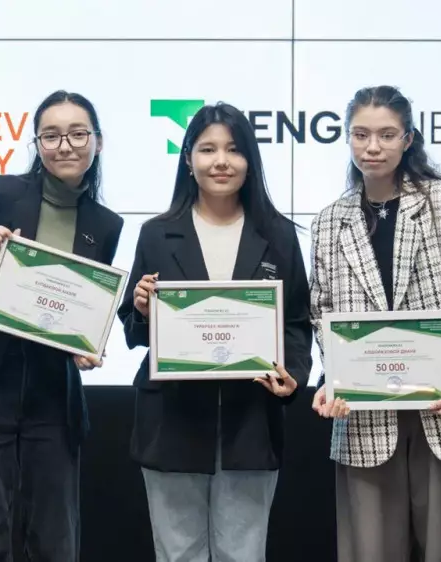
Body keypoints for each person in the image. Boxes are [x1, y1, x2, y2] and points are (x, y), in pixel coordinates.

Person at [310, 85, 441, 562]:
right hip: (365, 416)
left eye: (386, 135)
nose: (372, 147)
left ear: (408, 139)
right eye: (360, 134)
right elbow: (322, 313)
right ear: (347, 138)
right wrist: (332, 379)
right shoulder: (329, 222)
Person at [0, 90, 123, 562]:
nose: (65, 145)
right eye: (51, 136)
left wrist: (86, 346)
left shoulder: (105, 224)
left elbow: (82, 307)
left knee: (56, 544)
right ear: (37, 143)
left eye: (78, 133)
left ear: (98, 141)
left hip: (52, 396)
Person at [117, 102, 313, 562]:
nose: (221, 161)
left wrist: (293, 376)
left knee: (243, 553)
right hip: (172, 419)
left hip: (250, 421)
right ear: (188, 160)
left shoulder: (279, 235)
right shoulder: (157, 233)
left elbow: (296, 322)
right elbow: (133, 328)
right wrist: (143, 309)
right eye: (207, 149)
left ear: (250, 160)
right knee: (177, 554)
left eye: (233, 149)